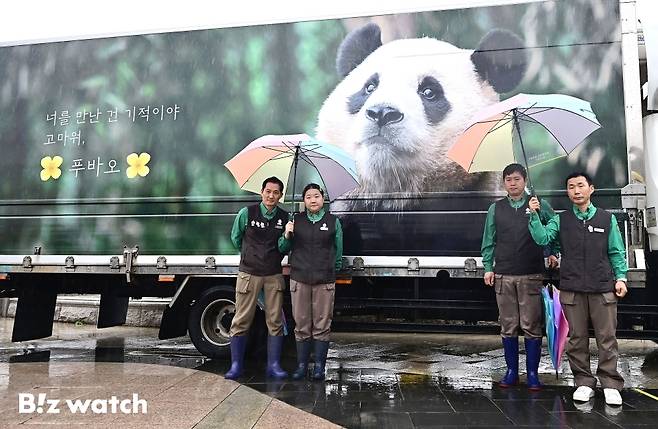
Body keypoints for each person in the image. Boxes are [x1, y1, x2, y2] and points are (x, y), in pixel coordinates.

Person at [528, 172, 628, 406]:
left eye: (580, 186)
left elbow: (616, 251)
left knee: (607, 338)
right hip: (572, 288)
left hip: (603, 287)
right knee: (576, 338)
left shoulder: (606, 219)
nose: (576, 190)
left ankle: (611, 383)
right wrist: (533, 215)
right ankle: (583, 382)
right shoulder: (561, 220)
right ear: (567, 192)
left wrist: (621, 278)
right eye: (571, 187)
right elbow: (542, 239)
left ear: (591, 189)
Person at [481, 163, 558, 390]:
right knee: (508, 325)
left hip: (531, 274)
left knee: (531, 325)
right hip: (504, 274)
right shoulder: (496, 209)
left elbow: (552, 230)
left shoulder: (539, 205)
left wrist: (552, 252)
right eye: (508, 179)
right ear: (504, 183)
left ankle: (532, 374)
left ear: (525, 180)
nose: (512, 183)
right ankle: (511, 371)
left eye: (516, 179)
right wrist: (488, 267)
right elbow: (488, 241)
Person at [224, 176, 290, 380]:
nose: (271, 195)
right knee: (242, 319)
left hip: (273, 274)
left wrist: (287, 235)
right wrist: (249, 255)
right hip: (248, 273)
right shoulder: (247, 213)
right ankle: (236, 366)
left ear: (280, 196)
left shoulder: (285, 218)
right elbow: (236, 239)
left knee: (275, 320)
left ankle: (274, 365)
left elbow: (283, 248)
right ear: (262, 192)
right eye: (268, 191)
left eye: (276, 192)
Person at [280, 183, 343, 381]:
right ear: (304, 201)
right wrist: (286, 233)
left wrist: (332, 269)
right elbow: (283, 248)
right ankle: (301, 366)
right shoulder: (295, 221)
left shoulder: (333, 222)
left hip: (324, 280)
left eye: (316, 196)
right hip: (299, 279)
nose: (313, 200)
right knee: (302, 324)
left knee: (322, 324)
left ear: (323, 198)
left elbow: (338, 250)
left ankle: (319, 367)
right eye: (308, 197)